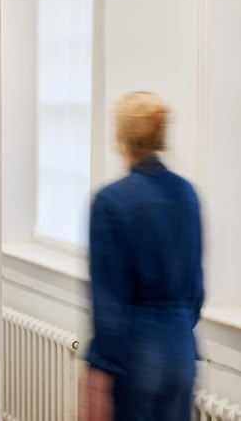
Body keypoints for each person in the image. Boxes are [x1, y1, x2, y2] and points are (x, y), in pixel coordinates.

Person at [80, 91, 204, 421]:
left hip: (135, 353)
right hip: (181, 350)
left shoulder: (111, 201)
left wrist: (100, 368)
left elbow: (108, 302)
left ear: (120, 136)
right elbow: (196, 290)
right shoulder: (187, 195)